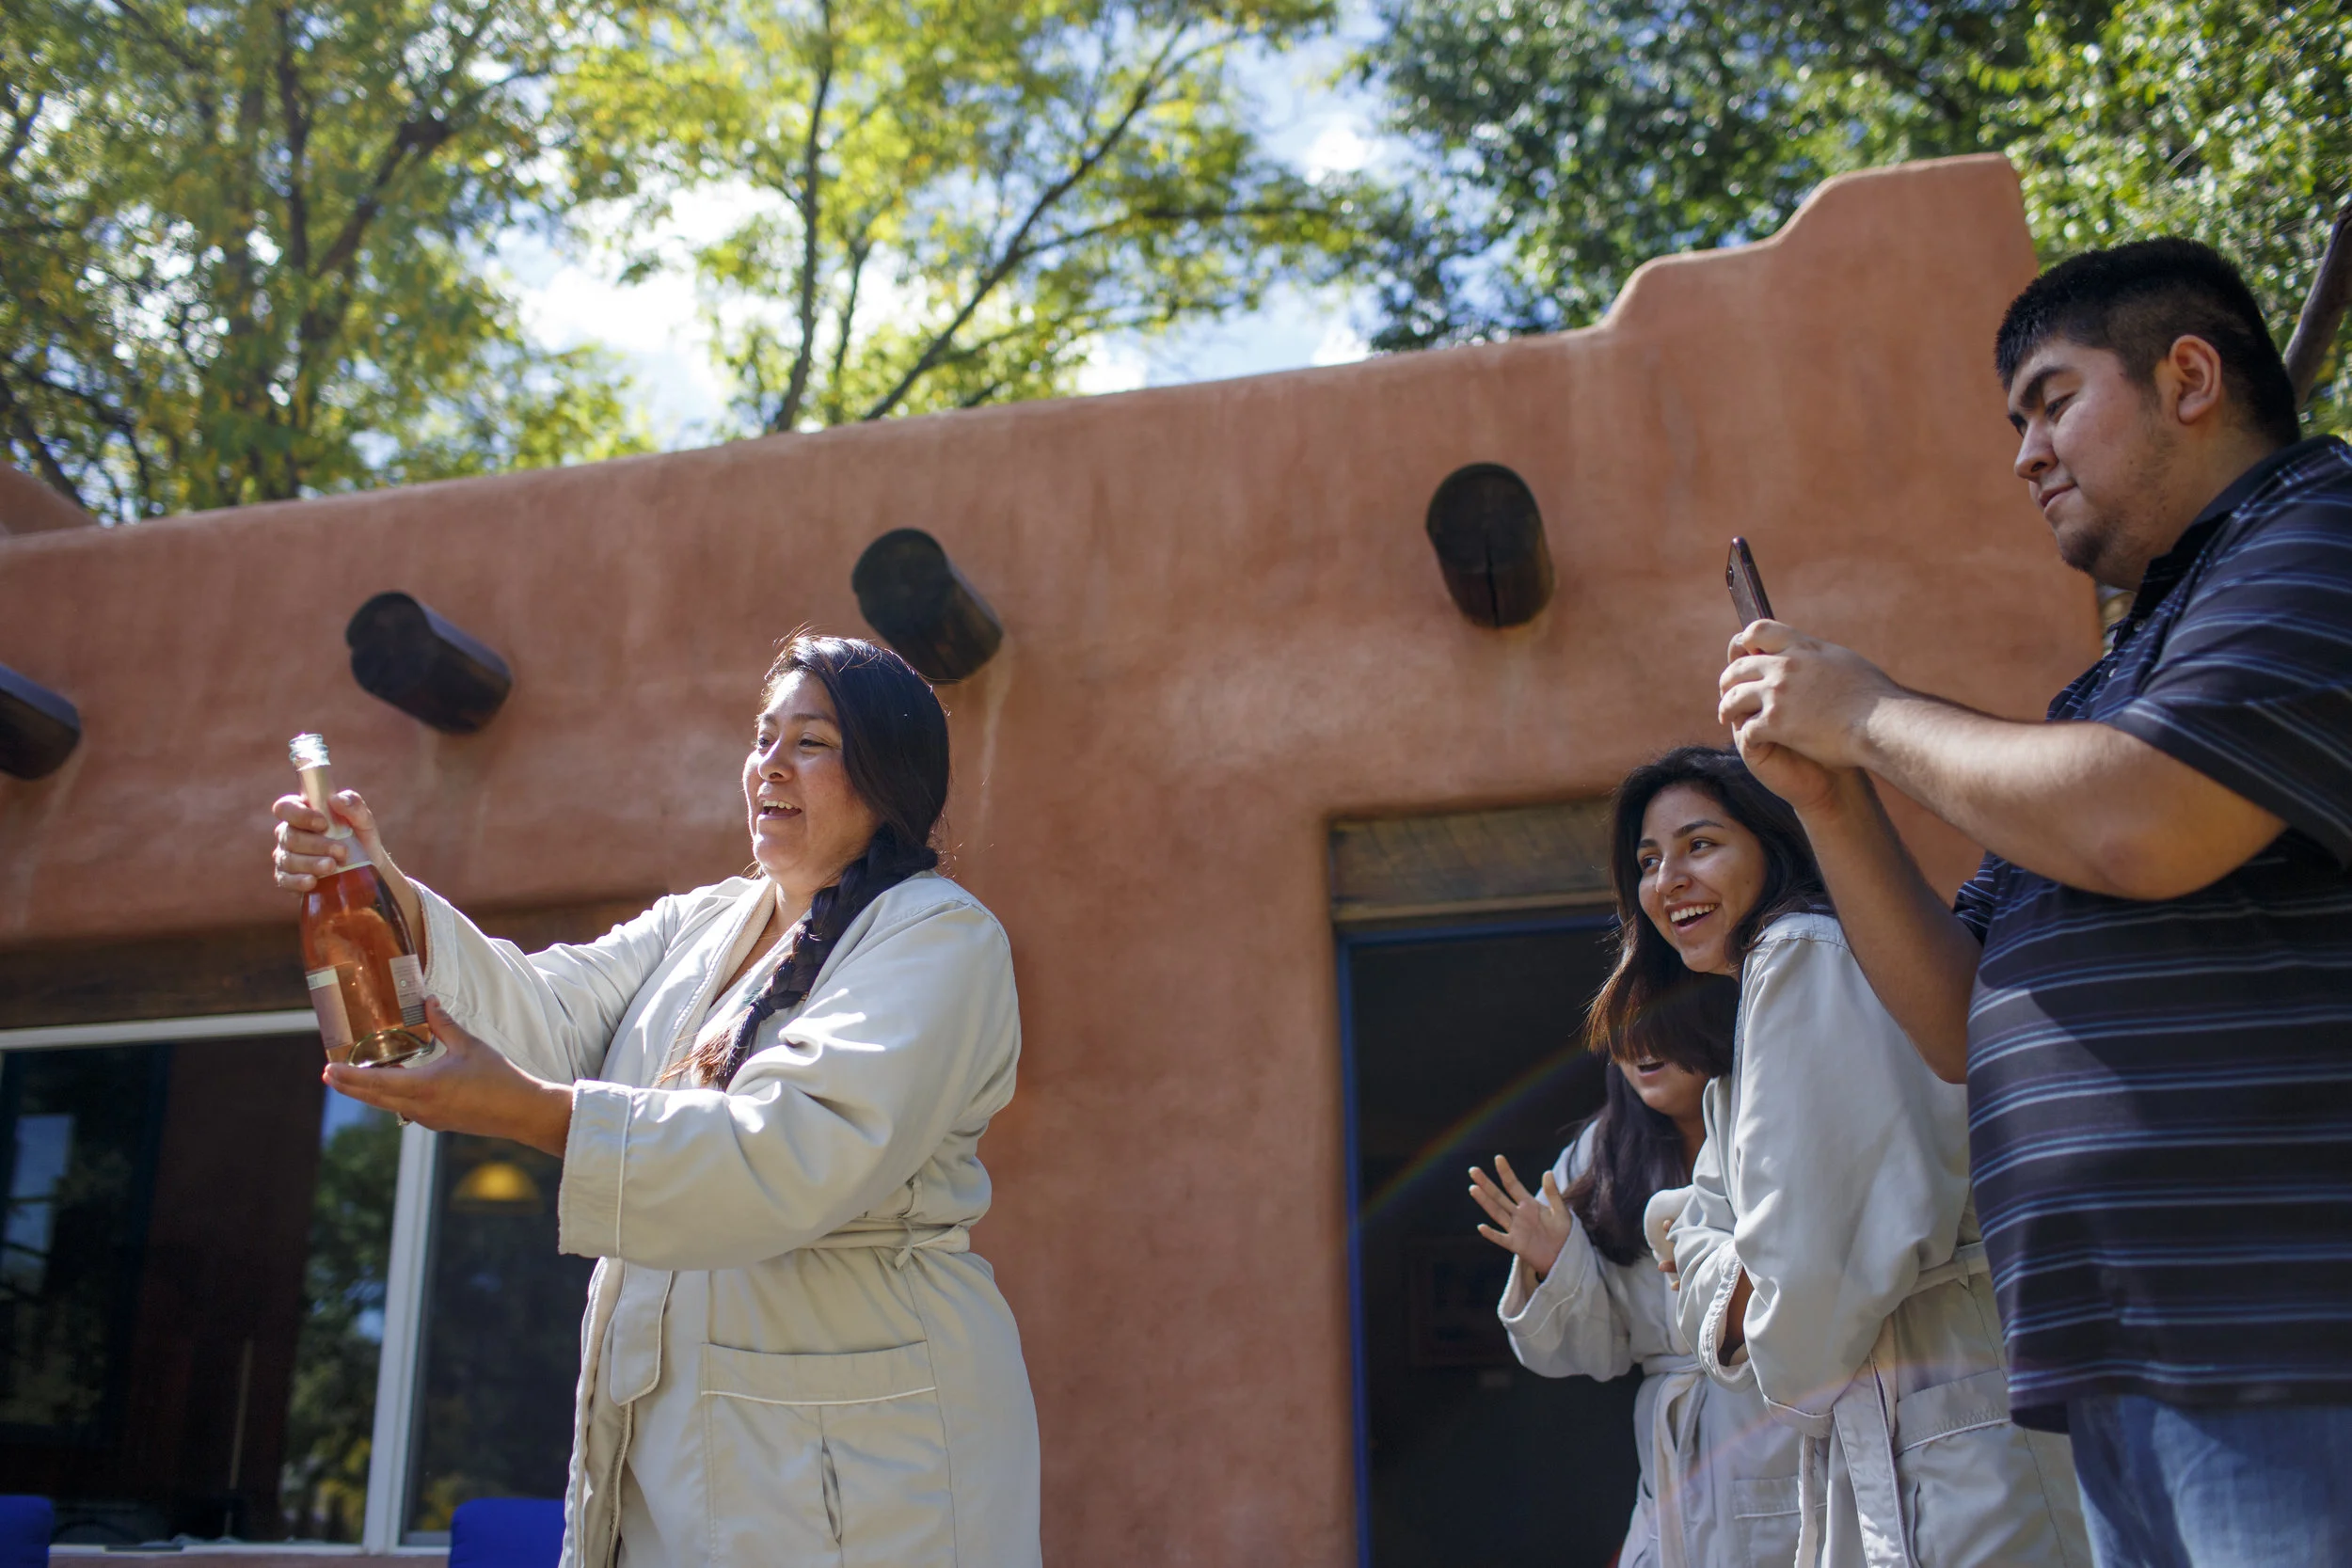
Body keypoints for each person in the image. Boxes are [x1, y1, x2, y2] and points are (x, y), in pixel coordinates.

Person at [1717, 239, 2352, 1566]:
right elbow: (1959, 1012)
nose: (2025, 454)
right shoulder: (2119, 676)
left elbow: (2140, 815)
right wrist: (1833, 794)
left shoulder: (2321, 530)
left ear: (2189, 376)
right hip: (2136, 1350)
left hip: (2289, 1329)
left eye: (2052, 400)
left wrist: (1875, 709)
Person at [271, 634, 1041, 1568]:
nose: (769, 764)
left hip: (864, 1473)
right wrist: (382, 885)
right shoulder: (702, 923)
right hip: (675, 1457)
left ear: (889, 773)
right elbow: (543, 1010)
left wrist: (526, 1112)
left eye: (811, 741)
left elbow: (786, 1150)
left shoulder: (937, 939)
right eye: (763, 737)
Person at [1638, 748, 2086, 1568]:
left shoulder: (1807, 954)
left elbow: (1804, 1296)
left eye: (1699, 844)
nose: (1668, 878)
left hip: (1957, 1448)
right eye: (1649, 859)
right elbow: (1724, 1275)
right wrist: (1725, 1263)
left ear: (1773, 843)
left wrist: (1725, 1269)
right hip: (1907, 1448)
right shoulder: (1745, 1044)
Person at [1470, 763, 1798, 1568]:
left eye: (1660, 1026)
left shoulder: (1776, 1113)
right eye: (1626, 1031)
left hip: (1784, 1433)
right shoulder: (1600, 1152)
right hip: (1673, 1475)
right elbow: (1598, 1349)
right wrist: (1556, 1264)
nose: (1639, 1049)